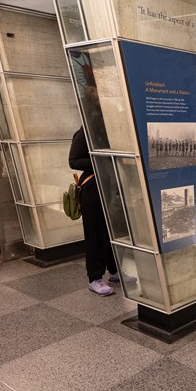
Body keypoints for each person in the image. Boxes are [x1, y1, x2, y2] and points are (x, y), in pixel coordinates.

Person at [68, 126, 116, 296]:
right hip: (92, 189)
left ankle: (114, 270)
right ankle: (94, 278)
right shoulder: (83, 132)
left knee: (111, 231)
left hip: (108, 186)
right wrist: (99, 159)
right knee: (95, 233)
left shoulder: (104, 130)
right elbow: (73, 161)